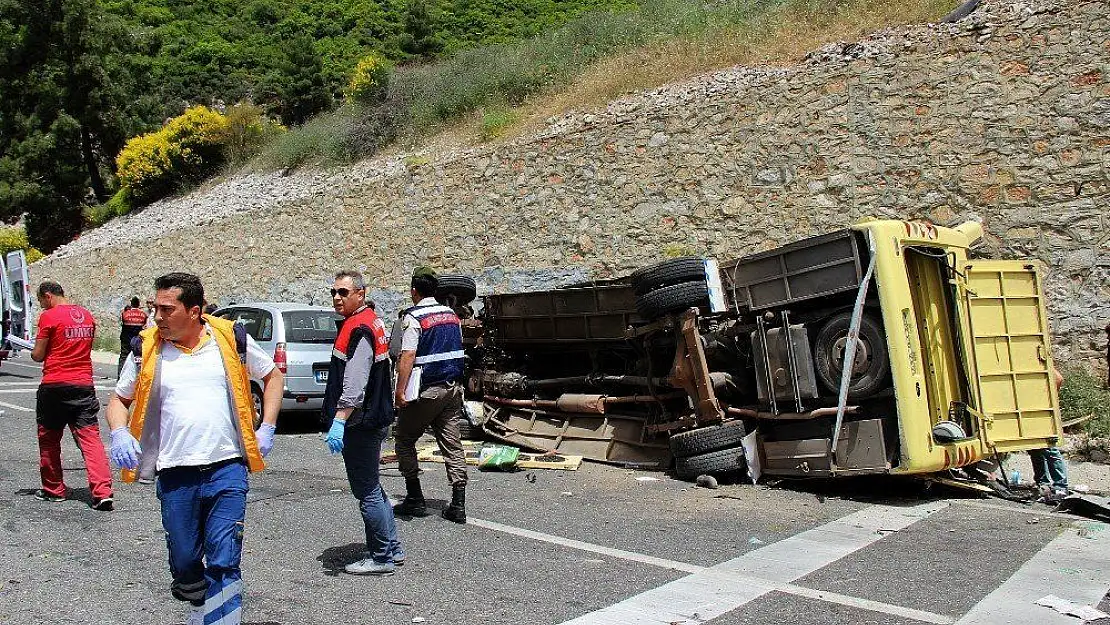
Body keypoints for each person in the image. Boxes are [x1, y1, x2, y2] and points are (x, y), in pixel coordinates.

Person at [106, 272, 284, 625]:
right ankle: (199, 600)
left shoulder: (230, 339)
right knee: (185, 560)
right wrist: (119, 432)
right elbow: (118, 400)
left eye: (166, 309)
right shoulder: (146, 348)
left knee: (224, 558)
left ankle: (222, 619)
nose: (157, 316)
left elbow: (272, 376)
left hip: (227, 468)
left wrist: (267, 426)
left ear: (194, 311)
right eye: (156, 307)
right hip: (175, 473)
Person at [321, 270, 402, 575]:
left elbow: (355, 384)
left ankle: (381, 556)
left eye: (343, 292)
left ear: (360, 294)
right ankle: (391, 549)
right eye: (334, 292)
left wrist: (340, 419)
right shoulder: (371, 322)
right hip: (374, 416)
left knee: (366, 490)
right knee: (374, 487)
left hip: (361, 422)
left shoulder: (359, 328)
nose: (337, 298)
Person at [392, 266, 469, 524]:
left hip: (426, 390)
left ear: (414, 290)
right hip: (452, 388)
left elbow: (408, 356)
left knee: (403, 438)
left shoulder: (413, 317)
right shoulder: (451, 315)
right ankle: (458, 504)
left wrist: (399, 392)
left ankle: (415, 497)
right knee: (452, 444)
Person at [30, 281, 114, 510]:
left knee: (49, 439)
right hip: (83, 384)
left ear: (47, 296)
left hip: (55, 385)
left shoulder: (49, 316)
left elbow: (38, 355)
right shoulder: (86, 315)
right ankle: (102, 491)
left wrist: (34, 348)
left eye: (41, 302)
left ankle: (54, 489)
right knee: (90, 438)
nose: (42, 307)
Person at [1030, 368, 1069, 498]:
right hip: (1032, 413)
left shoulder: (1042, 365)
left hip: (1043, 413)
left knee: (1049, 449)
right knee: (1034, 448)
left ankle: (1061, 486)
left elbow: (1058, 378)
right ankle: (1043, 483)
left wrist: (1049, 399)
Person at [118, 296, 148, 375]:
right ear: (139, 304)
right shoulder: (143, 314)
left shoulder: (125, 314)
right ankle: (137, 379)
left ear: (131, 304)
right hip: (137, 341)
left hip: (126, 340)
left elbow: (122, 322)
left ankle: (120, 377)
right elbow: (145, 326)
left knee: (123, 358)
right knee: (138, 359)